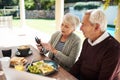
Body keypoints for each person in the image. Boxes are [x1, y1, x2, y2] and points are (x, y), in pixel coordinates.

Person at [70, 9, 120, 80]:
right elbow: (80, 62)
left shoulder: (114, 49)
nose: (80, 28)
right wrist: (67, 77)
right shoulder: (87, 41)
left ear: (96, 27)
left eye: (83, 24)